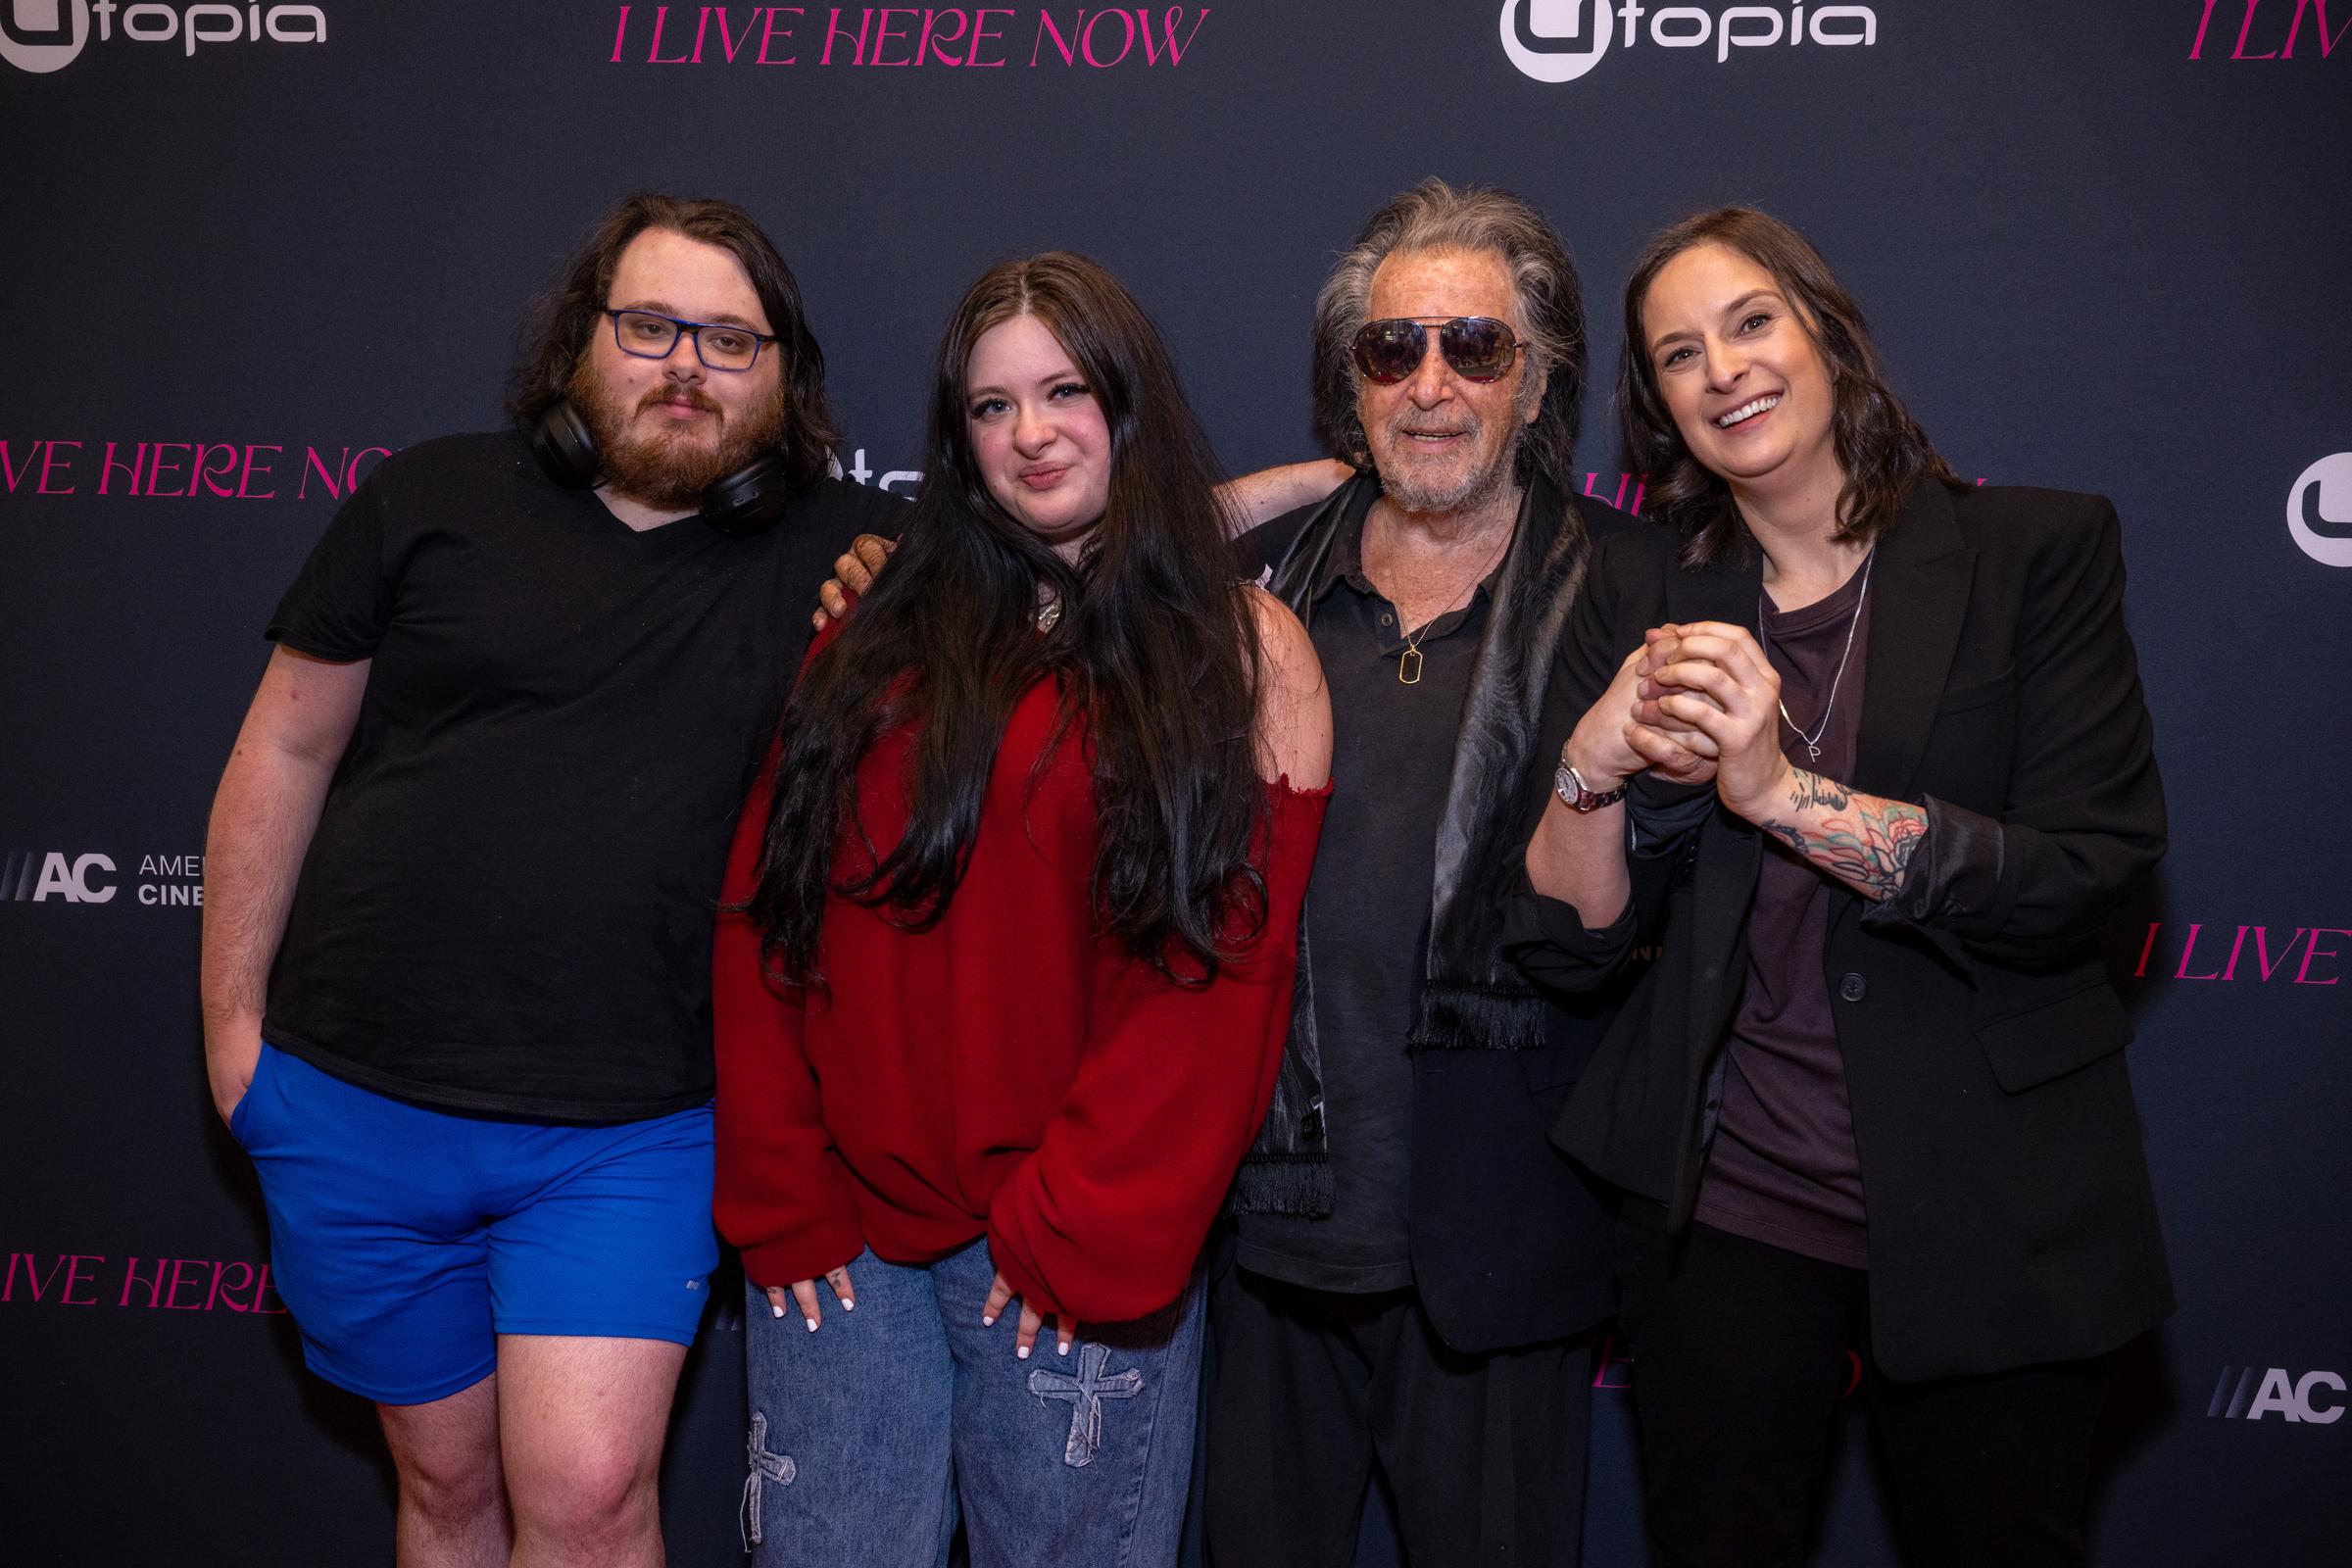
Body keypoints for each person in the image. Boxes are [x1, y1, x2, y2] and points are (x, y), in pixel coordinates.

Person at [198, 191, 906, 1566]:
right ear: (584, 338)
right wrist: (234, 1039)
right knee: (449, 1497)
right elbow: (282, 747)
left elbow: (1094, 555)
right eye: (651, 326)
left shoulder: (851, 553)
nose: (686, 366)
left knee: (586, 1501)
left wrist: (1328, 485)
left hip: (631, 1129)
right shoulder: (425, 498)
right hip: (353, 1102)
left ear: (785, 377)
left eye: (730, 340)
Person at [1509, 207, 2172, 1568]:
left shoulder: (2033, 555)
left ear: (1827, 333)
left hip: (1996, 1207)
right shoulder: (1653, 593)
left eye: (1752, 321)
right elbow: (1573, 943)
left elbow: (2088, 875)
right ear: (1659, 409)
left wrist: (1777, 795)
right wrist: (1585, 770)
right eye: (1679, 354)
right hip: (1733, 1211)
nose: (1725, 370)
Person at [710, 252, 1332, 1567]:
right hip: (844, 1254)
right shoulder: (877, 624)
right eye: (992, 408)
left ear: (1129, 404)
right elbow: (770, 908)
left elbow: (1220, 980)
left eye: (1064, 392)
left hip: (1065, 1266)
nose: (1031, 434)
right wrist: (782, 1186)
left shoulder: (1241, 649)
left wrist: (1077, 1231)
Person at [1204, 178, 1634, 1568]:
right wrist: (1279, 493)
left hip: (1501, 1251)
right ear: (1351, 383)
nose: (1432, 383)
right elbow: (1041, 570)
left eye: (1477, 347)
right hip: (1263, 1236)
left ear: (1540, 374)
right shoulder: (1255, 590)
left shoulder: (1635, 589)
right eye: (1393, 351)